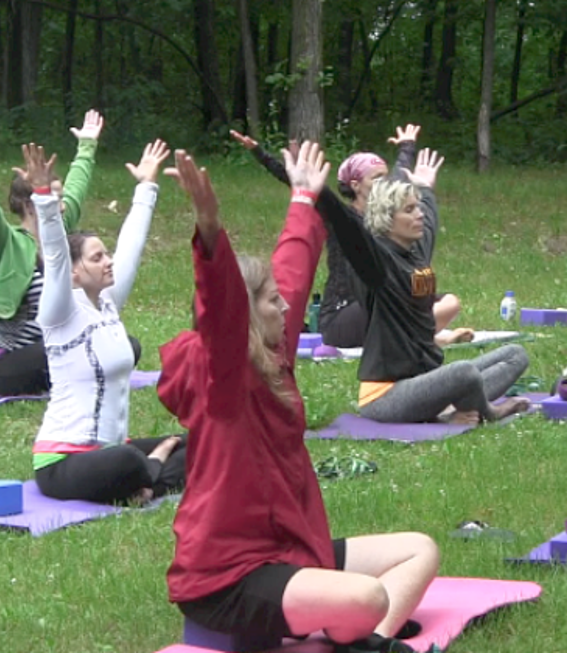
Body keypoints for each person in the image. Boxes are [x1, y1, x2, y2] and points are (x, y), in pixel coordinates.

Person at [158, 143, 438, 653]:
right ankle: (363, 633)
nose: (286, 304)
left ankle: (363, 642)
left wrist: (305, 199)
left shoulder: (272, 349)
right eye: (269, 301)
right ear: (245, 314)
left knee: (420, 551)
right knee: (369, 597)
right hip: (227, 577)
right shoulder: (222, 375)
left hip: (287, 548)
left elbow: (292, 266)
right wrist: (209, 231)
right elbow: (220, 309)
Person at [0, 112, 141, 396]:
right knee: (73, 348)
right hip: (6, 361)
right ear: (31, 204)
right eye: (55, 199)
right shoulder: (7, 242)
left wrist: (87, 145)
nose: (63, 206)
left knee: (126, 344)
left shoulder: (62, 227)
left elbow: (79, 181)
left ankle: (78, 374)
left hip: (55, 347)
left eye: (61, 198)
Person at [318, 148, 530, 424]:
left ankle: (454, 408)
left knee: (516, 355)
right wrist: (316, 190)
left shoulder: (415, 252)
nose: (419, 214)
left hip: (425, 383)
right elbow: (346, 227)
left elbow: (429, 216)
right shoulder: (378, 265)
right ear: (387, 219)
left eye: (417, 207)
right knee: (464, 372)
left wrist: (424, 187)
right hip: (386, 396)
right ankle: (488, 412)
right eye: (409, 210)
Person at [24, 139, 184, 504]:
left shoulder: (107, 303)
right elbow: (54, 252)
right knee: (129, 458)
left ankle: (145, 486)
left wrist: (146, 186)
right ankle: (150, 471)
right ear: (75, 272)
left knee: (200, 443)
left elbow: (132, 244)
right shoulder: (60, 312)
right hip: (64, 461)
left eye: (106, 254)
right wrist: (44, 197)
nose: (109, 261)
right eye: (97, 258)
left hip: (111, 451)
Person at [230, 126, 471, 348]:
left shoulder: (389, 218)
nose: (384, 183)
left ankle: (427, 336)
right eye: (376, 178)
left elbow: (401, 177)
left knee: (450, 303)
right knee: (396, 305)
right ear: (355, 185)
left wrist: (407, 146)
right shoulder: (343, 220)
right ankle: (432, 337)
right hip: (342, 315)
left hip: (381, 302)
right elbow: (310, 188)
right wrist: (260, 154)